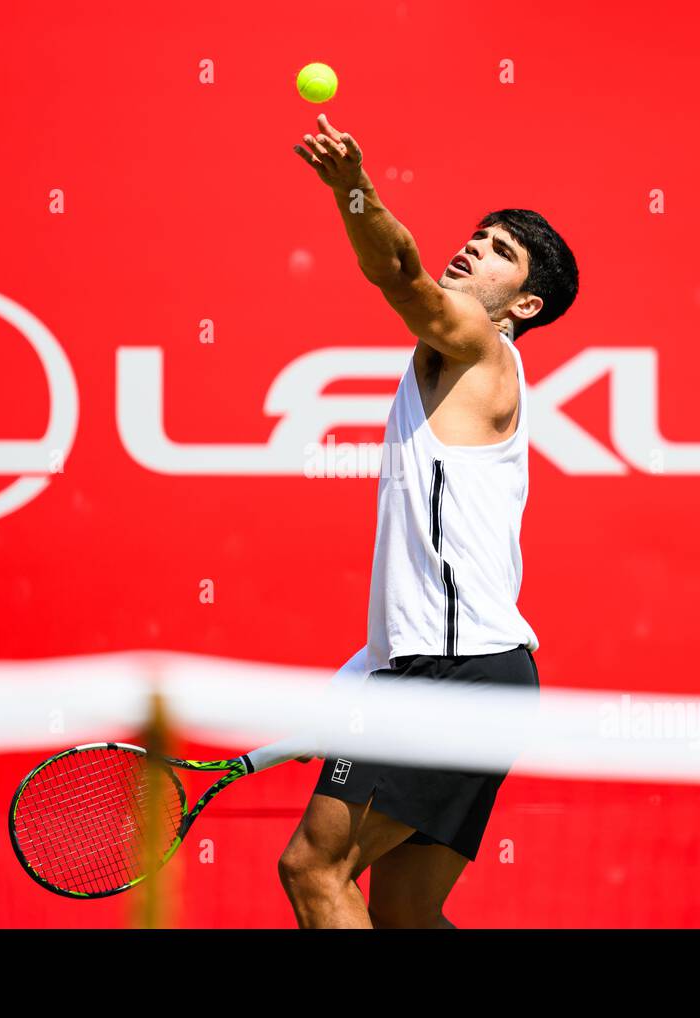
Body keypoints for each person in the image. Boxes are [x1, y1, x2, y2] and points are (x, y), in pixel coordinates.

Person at [279, 114, 578, 928]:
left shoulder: (479, 346)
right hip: (473, 674)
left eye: (500, 250)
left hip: (455, 679)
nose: (475, 247)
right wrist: (358, 679)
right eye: (478, 234)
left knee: (315, 869)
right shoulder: (452, 367)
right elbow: (430, 581)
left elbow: (401, 272)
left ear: (525, 303)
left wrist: (352, 191)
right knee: (408, 917)